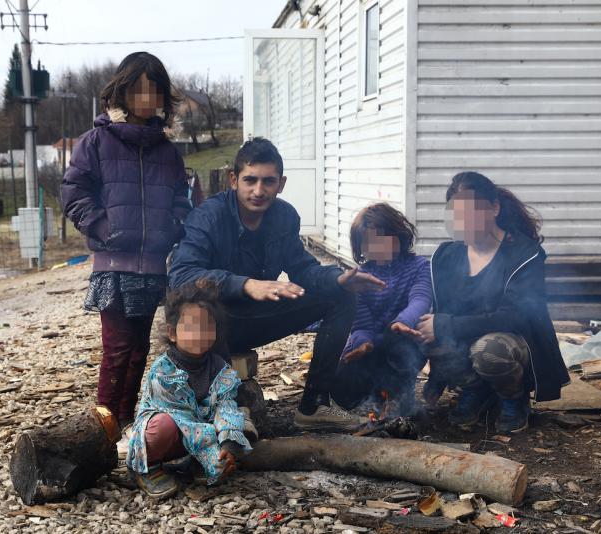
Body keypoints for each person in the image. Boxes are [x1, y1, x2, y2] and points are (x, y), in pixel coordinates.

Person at [168, 137, 386, 432]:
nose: (259, 191)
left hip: (253, 319)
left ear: (281, 183)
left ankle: (315, 406)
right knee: (201, 306)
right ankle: (226, 408)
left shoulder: (284, 216)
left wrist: (337, 278)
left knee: (341, 297)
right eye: (250, 180)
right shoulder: (209, 216)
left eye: (268, 181)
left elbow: (302, 268)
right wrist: (246, 285)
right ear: (234, 180)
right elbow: (181, 276)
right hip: (212, 325)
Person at [61, 52, 192, 431]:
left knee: (138, 350)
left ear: (164, 99)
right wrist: (102, 228)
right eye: (138, 90)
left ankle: (126, 420)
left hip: (153, 266)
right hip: (114, 269)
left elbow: (181, 198)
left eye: (155, 91)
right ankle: (103, 427)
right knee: (116, 350)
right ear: (122, 91)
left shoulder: (167, 152)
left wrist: (174, 225)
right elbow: (73, 192)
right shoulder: (96, 142)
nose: (146, 99)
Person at [418, 171, 569, 434]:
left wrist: (446, 325)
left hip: (512, 344)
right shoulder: (447, 256)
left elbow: (516, 316)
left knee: (488, 350)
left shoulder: (524, 254)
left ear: (494, 209)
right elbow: (442, 311)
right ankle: (475, 391)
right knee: (421, 332)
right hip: (465, 337)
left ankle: (513, 398)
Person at [126, 280, 251, 499]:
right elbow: (181, 418)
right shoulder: (163, 370)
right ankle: (147, 467)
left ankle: (194, 463)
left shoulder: (220, 368)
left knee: (229, 444)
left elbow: (226, 405)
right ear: (172, 333)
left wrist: (228, 444)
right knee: (163, 426)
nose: (200, 334)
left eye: (207, 327)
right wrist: (211, 448)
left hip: (197, 434)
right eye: (192, 327)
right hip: (169, 434)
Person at [332, 203, 432, 417]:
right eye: (370, 242)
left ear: (399, 235)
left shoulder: (419, 267)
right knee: (342, 385)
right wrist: (362, 343)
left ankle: (399, 396)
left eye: (383, 238)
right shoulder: (360, 277)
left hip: (405, 341)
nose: (379, 246)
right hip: (372, 344)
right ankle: (376, 395)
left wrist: (403, 322)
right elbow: (362, 323)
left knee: (399, 348)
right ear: (360, 247)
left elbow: (421, 299)